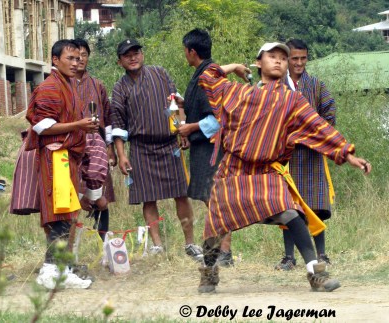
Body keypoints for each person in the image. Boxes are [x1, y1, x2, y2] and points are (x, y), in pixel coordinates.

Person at [196, 42, 372, 293]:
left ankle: (315, 273)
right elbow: (208, 76)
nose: (279, 61)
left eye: (282, 58)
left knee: (291, 213)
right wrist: (234, 66)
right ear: (259, 63)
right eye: (272, 56)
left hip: (267, 172)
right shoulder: (236, 93)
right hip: (233, 171)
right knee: (215, 225)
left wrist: (347, 153)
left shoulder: (292, 100)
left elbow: (318, 126)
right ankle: (209, 273)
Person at [110, 38, 203, 260]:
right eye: (127, 55)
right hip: (141, 147)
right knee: (148, 199)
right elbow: (119, 127)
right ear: (119, 62)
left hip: (170, 144)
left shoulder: (160, 73)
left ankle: (190, 243)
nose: (132, 57)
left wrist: (182, 129)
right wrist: (122, 155)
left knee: (181, 195)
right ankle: (157, 246)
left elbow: (177, 103)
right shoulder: (120, 88)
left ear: (142, 55)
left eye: (136, 52)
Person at [25, 39, 98, 289]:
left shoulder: (67, 84)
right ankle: (50, 272)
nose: (76, 63)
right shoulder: (49, 86)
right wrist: (79, 126)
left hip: (66, 157)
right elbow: (41, 125)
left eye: (79, 58)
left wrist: (84, 126)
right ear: (55, 60)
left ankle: (59, 270)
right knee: (58, 215)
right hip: (56, 157)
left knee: (65, 215)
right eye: (70, 58)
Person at [275, 39, 336, 270]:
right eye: (294, 59)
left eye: (303, 58)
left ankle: (321, 255)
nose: (299, 63)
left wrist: (318, 135)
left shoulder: (316, 86)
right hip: (286, 157)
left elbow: (329, 111)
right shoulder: (277, 86)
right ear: (287, 59)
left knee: (316, 204)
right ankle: (289, 257)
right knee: (288, 207)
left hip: (311, 154)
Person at [177, 29, 233, 267]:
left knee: (216, 200)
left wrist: (190, 127)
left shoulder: (208, 75)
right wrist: (183, 104)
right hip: (202, 149)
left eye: (185, 51)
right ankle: (221, 252)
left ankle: (225, 253)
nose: (185, 55)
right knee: (211, 200)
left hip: (212, 148)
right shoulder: (204, 72)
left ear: (192, 51)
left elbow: (217, 118)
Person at [72, 38, 116, 241]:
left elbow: (107, 118)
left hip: (97, 146)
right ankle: (68, 248)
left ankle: (105, 243)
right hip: (72, 144)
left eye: (84, 54)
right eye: (76, 55)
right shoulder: (64, 84)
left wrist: (109, 147)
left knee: (101, 198)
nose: (80, 59)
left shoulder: (98, 85)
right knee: (73, 196)